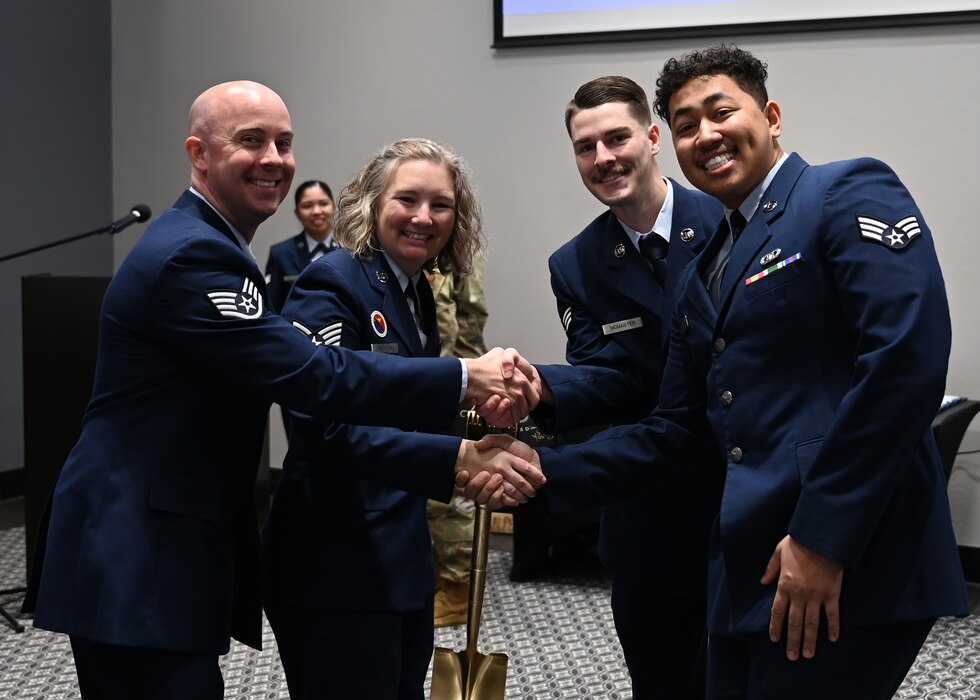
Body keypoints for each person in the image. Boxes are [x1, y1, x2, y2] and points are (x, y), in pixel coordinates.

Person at [469, 45, 968, 699]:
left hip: (839, 550)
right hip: (748, 557)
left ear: (772, 116)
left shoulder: (842, 192)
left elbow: (903, 365)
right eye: (687, 124)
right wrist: (538, 468)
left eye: (721, 112)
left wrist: (822, 539)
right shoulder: (708, 265)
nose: (704, 135)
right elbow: (676, 426)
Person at [23, 81, 544, 700]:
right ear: (199, 154)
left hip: (176, 539)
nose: (273, 159)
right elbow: (315, 377)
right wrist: (463, 381)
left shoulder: (218, 246)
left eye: (284, 143)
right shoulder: (194, 255)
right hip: (135, 548)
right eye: (251, 140)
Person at [263, 137, 490, 699]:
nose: (424, 217)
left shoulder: (414, 291)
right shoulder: (332, 282)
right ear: (371, 204)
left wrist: (483, 417)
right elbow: (322, 430)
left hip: (399, 555)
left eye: (441, 205)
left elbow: (405, 406)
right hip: (334, 564)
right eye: (407, 199)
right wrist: (458, 458)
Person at [527, 75, 723, 700]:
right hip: (649, 509)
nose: (603, 157)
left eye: (617, 138)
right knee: (661, 681)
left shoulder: (728, 217)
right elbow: (608, 376)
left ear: (653, 138)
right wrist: (542, 387)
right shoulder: (576, 264)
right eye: (586, 147)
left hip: (739, 494)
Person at [265, 179, 338, 313]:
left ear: (333, 207)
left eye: (323, 203)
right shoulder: (281, 253)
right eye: (307, 206)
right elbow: (272, 306)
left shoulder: (349, 250)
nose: (316, 211)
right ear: (297, 213)